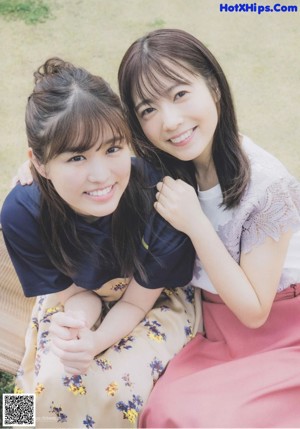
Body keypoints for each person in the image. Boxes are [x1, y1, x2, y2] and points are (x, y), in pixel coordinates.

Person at [1, 57, 201, 428]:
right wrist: (77, 326)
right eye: (77, 156)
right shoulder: (21, 211)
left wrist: (94, 343)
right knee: (45, 380)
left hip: (154, 300)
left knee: (114, 392)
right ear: (39, 163)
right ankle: (15, 424)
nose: (101, 176)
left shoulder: (157, 199)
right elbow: (77, 294)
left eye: (112, 149)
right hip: (77, 298)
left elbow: (138, 302)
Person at [118, 28, 300, 428]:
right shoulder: (161, 170)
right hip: (208, 323)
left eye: (180, 94)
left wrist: (196, 224)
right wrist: (39, 169)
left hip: (282, 330)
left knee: (199, 417)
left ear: (214, 87)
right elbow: (87, 152)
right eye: (148, 109)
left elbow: (255, 312)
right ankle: (20, 417)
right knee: (161, 409)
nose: (170, 121)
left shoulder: (269, 185)